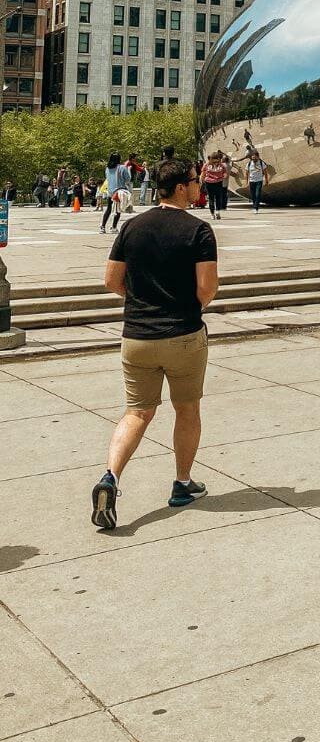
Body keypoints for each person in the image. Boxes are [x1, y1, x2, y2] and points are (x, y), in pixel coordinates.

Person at [91, 157, 219, 531]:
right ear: (180, 187)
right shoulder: (199, 231)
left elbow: (112, 280)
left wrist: (142, 303)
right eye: (195, 181)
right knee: (187, 409)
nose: (199, 186)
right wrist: (183, 307)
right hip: (182, 336)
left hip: (137, 337)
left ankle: (110, 477)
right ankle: (182, 484)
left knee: (136, 413)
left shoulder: (132, 227)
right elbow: (207, 289)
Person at [100, 152, 132, 235]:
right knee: (118, 209)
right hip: (119, 191)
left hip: (110, 191)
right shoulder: (122, 167)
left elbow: (107, 178)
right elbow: (128, 179)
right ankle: (113, 227)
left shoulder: (107, 168)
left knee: (109, 209)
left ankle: (102, 226)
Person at [200, 152, 227, 220]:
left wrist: (202, 182)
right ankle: (217, 211)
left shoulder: (206, 165)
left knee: (211, 198)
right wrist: (222, 177)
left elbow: (203, 174)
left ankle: (212, 214)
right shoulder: (222, 165)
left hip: (209, 183)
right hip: (219, 183)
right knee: (218, 197)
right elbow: (225, 175)